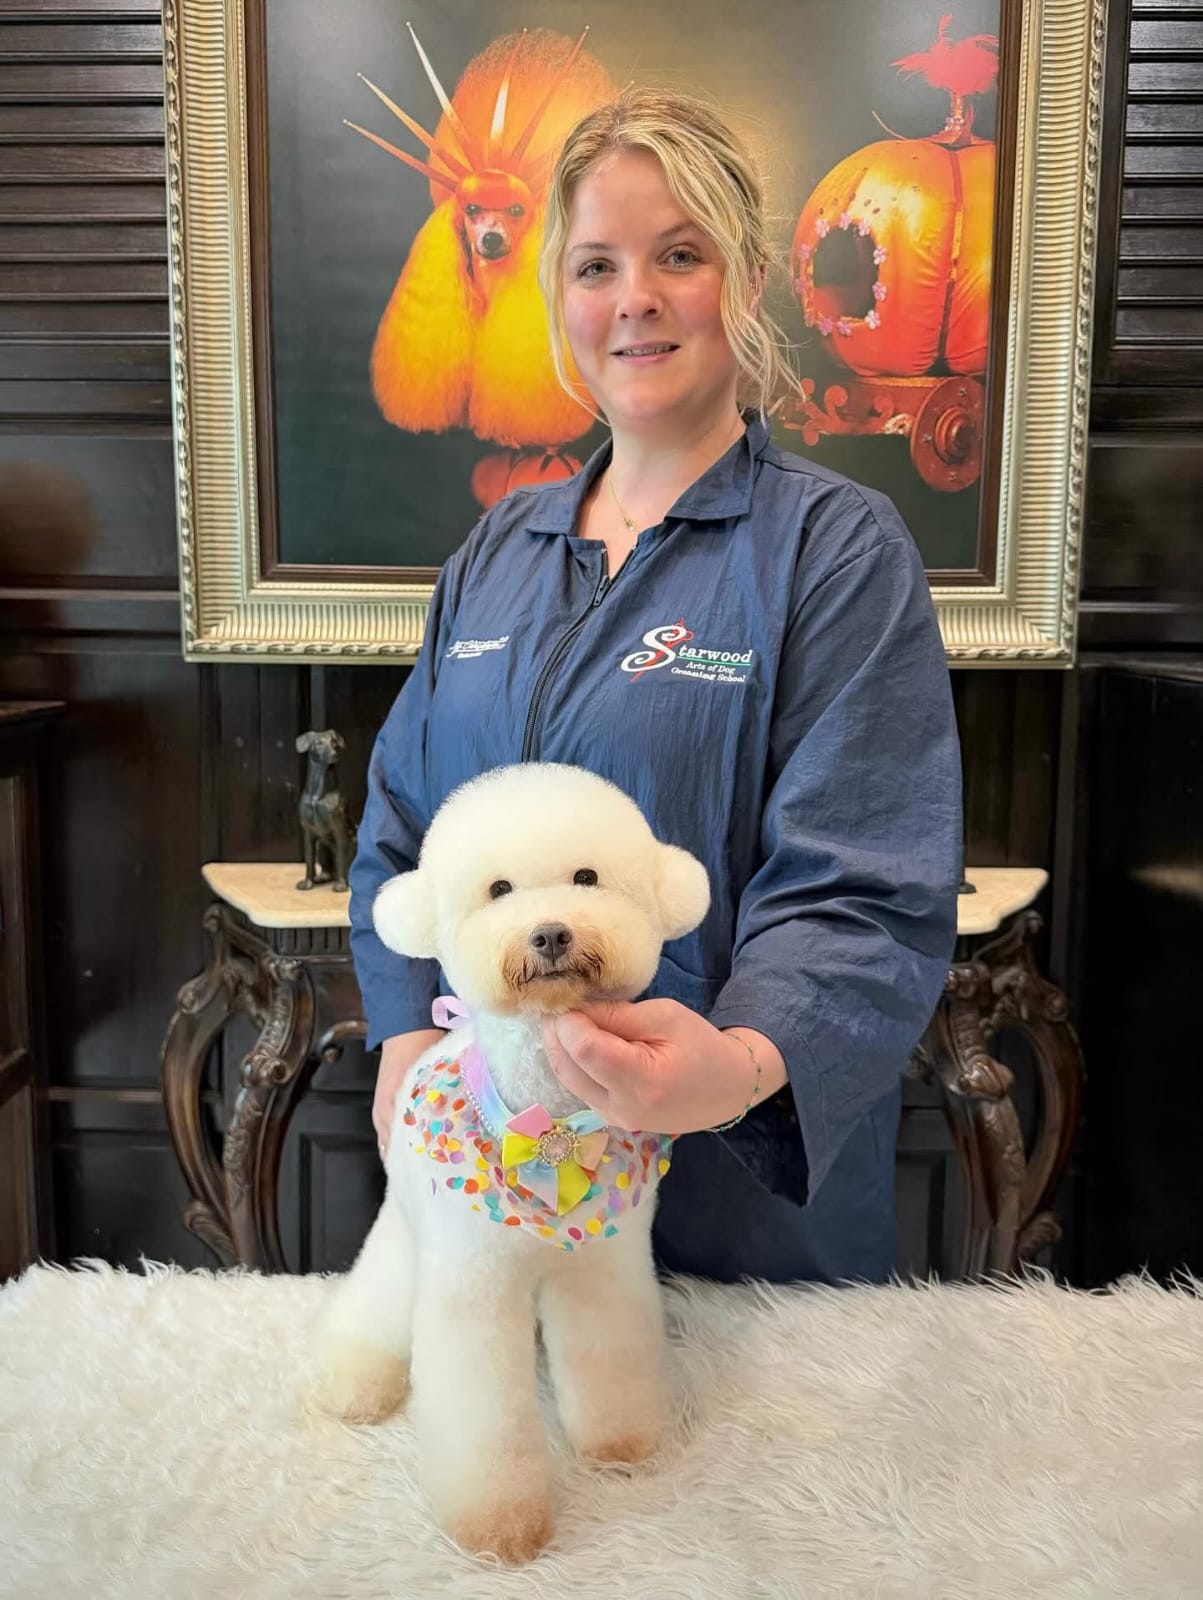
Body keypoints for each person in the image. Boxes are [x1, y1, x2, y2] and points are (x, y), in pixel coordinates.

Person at [349, 87, 962, 1285]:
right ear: (559, 301)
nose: (634, 297)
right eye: (596, 264)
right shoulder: (497, 550)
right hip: (498, 1178)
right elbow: (404, 823)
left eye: (677, 254)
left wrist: (733, 1065)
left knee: (745, 1471)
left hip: (740, 1206)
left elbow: (863, 884)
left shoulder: (835, 548)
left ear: (740, 280)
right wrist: (402, 1029)